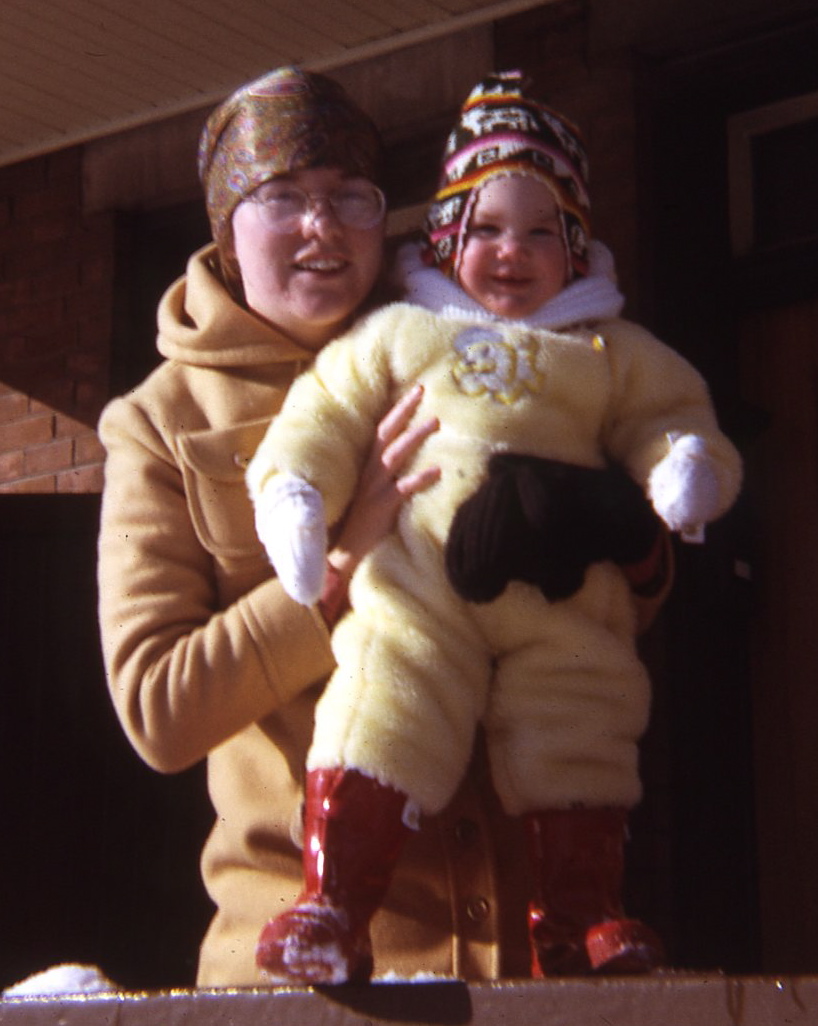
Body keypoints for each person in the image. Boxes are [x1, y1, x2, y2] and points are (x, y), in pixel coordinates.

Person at [246, 70, 743, 984]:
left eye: (541, 232)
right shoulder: (401, 332)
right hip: (418, 591)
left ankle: (580, 920)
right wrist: (297, 498)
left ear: (575, 246)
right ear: (446, 236)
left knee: (586, 713)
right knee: (381, 698)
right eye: (486, 230)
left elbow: (673, 415)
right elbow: (323, 413)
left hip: (566, 602)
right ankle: (334, 903)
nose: (512, 252)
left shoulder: (608, 350)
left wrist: (680, 471)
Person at [96, 66, 531, 989]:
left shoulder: (461, 348)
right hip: (306, 978)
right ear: (227, 230)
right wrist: (338, 567)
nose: (321, 227)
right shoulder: (161, 423)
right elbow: (159, 709)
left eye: (349, 197)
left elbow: (597, 615)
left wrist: (625, 550)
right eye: (283, 197)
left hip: (526, 947)